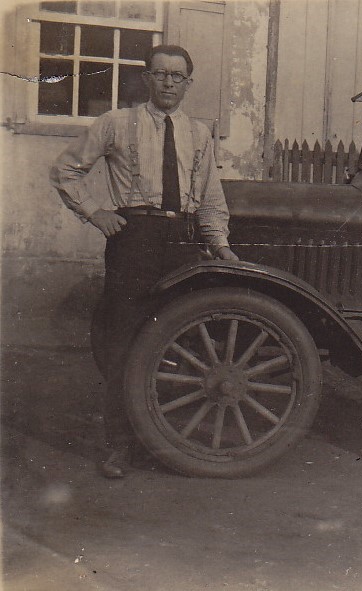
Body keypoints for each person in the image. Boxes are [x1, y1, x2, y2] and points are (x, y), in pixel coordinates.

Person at [50, 44, 239, 479]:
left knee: (178, 342)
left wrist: (220, 245)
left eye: (177, 76)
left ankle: (163, 441)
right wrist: (95, 212)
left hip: (183, 241)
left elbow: (210, 197)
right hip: (134, 239)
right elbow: (66, 170)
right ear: (146, 79)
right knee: (125, 342)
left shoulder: (198, 133)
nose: (169, 83)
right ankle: (121, 447)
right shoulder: (116, 123)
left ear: (188, 83)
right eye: (161, 74)